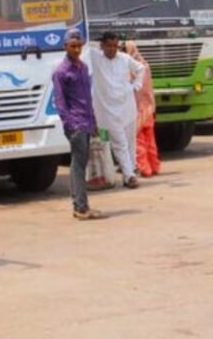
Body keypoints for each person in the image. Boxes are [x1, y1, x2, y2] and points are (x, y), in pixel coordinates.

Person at [51, 29, 104, 220]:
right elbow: (60, 102)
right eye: (72, 46)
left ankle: (79, 205)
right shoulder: (61, 72)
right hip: (76, 124)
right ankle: (81, 207)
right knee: (78, 165)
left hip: (87, 121)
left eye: (79, 46)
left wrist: (94, 121)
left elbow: (87, 98)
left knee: (78, 164)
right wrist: (70, 124)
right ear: (65, 46)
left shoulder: (83, 68)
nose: (76, 50)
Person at [90, 31, 145, 189]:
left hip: (127, 106)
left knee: (130, 142)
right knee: (119, 143)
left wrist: (136, 85)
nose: (112, 49)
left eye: (115, 46)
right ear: (102, 46)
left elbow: (141, 69)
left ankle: (130, 172)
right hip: (107, 109)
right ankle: (129, 175)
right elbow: (83, 44)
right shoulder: (95, 57)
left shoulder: (124, 58)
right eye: (109, 46)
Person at [125, 41, 160, 177]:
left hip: (136, 110)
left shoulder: (130, 68)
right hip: (149, 109)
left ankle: (145, 169)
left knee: (138, 141)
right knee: (150, 140)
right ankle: (155, 166)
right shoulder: (145, 65)